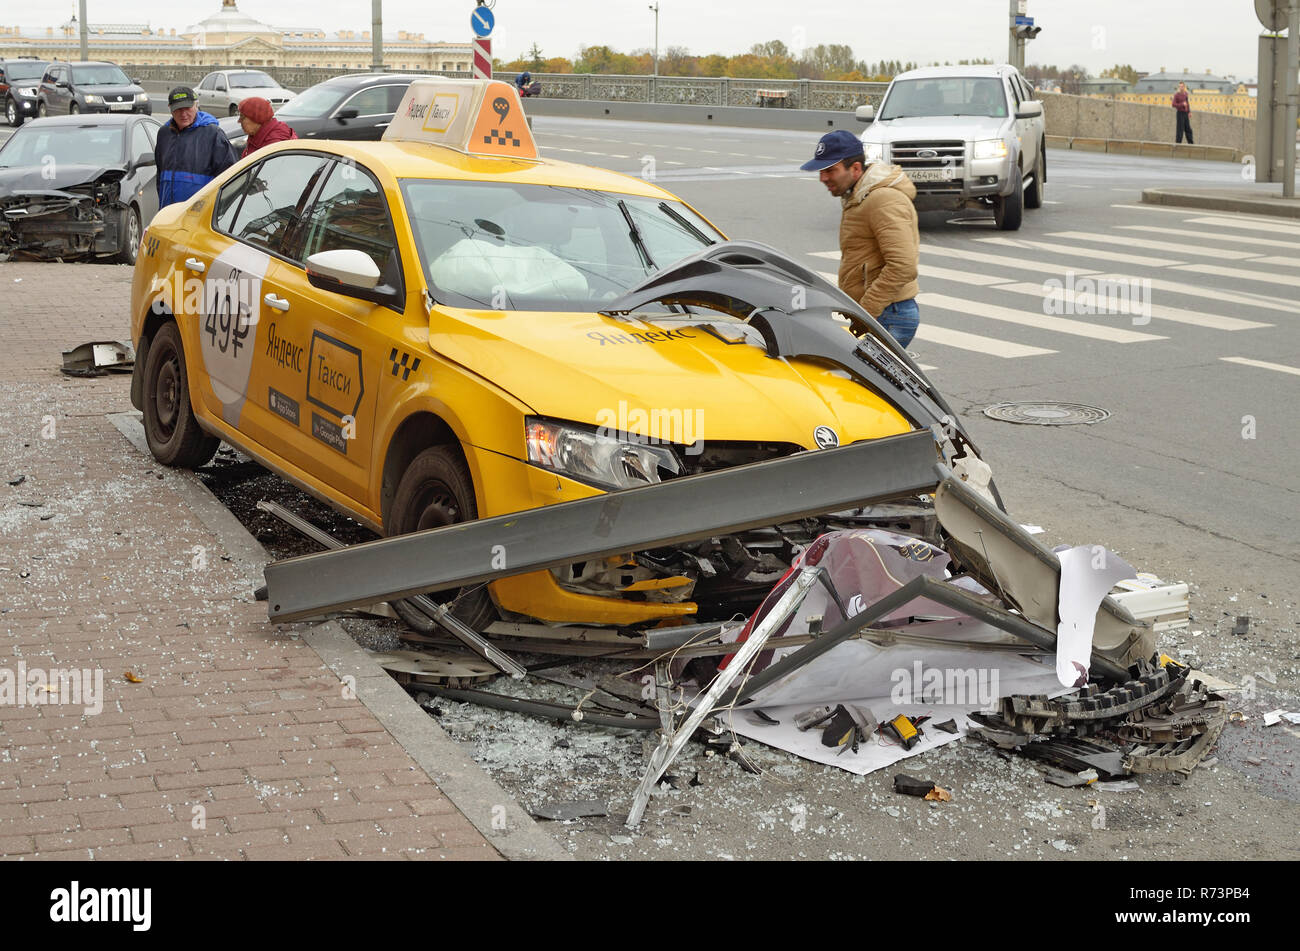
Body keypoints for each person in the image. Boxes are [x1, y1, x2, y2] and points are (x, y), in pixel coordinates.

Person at [801, 129, 921, 348]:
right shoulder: (859, 195)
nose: (823, 178)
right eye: (821, 171)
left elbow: (903, 266)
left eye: (830, 170)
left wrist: (866, 311)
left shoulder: (882, 199)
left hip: (888, 314)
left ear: (855, 168)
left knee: (864, 382)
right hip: (883, 313)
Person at [154, 86, 237, 208]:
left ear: (196, 106)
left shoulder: (213, 134)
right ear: (170, 110)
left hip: (201, 214)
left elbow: (230, 178)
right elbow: (160, 176)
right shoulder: (164, 134)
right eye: (178, 109)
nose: (184, 114)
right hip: (169, 212)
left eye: (188, 108)